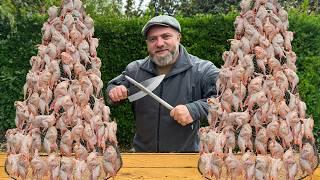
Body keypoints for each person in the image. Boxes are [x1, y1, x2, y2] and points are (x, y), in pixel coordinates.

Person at [106, 15, 220, 152]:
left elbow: (224, 99)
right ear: (147, 43)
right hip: (142, 157)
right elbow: (112, 87)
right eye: (153, 39)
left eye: (166, 36)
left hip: (186, 158)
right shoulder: (135, 70)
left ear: (178, 38)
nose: (159, 43)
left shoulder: (203, 70)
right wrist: (114, 91)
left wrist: (194, 109)